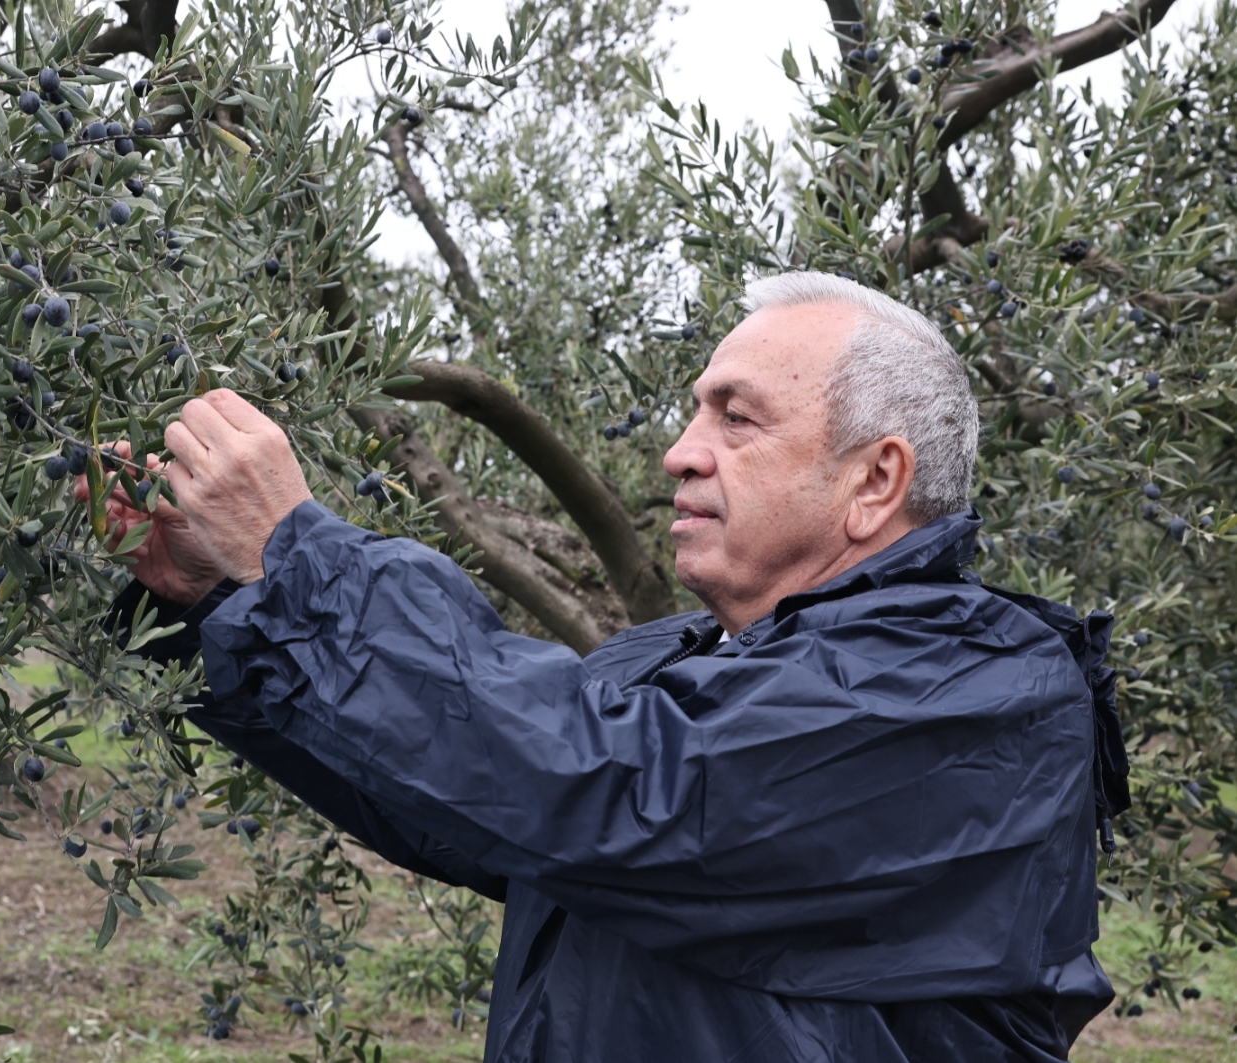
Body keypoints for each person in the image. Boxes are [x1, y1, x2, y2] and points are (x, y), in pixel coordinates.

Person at [97, 272, 1128, 1062]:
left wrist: (300, 556)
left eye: (737, 415)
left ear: (875, 480)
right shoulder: (679, 661)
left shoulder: (974, 689)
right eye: (691, 412)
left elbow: (615, 788)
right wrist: (220, 603)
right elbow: (465, 800)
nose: (680, 451)